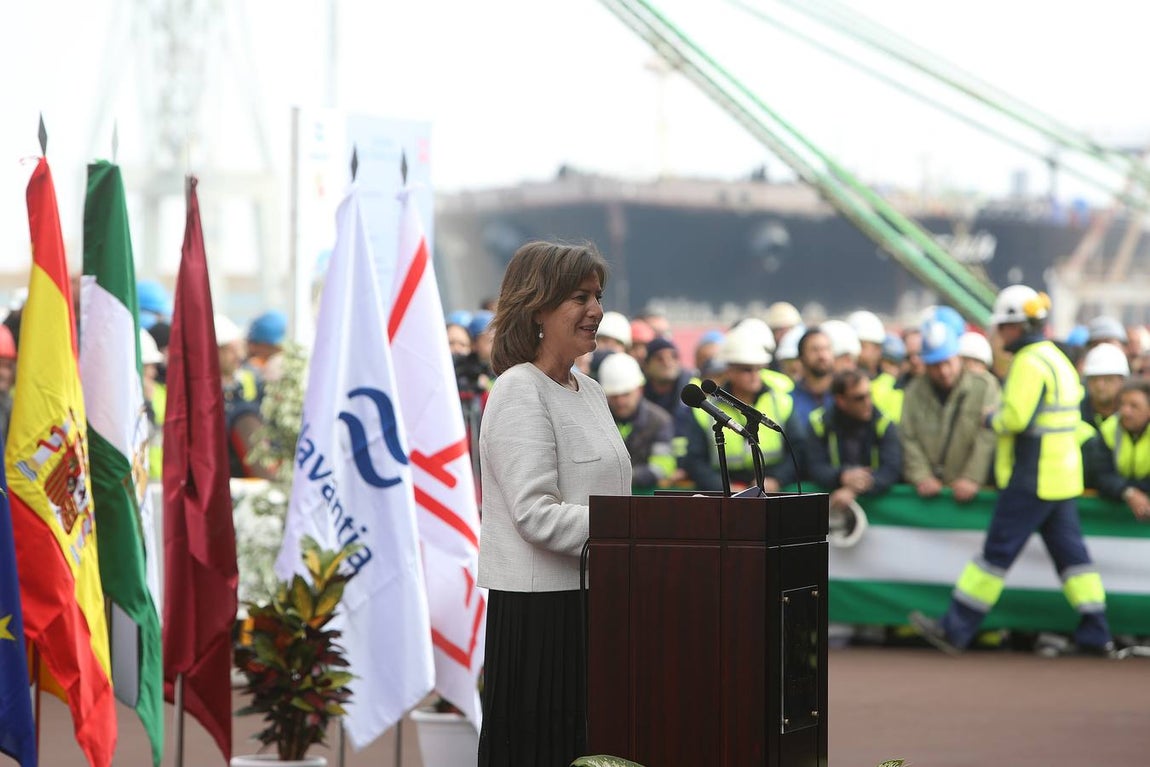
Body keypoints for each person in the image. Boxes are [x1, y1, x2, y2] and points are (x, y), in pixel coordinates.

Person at [477, 241, 631, 766]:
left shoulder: (588, 390)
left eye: (597, 296)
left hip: (594, 601)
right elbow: (534, 514)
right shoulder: (519, 390)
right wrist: (632, 529)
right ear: (537, 307)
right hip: (542, 616)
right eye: (579, 297)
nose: (596, 310)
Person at [911, 285, 1117, 657]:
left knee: (994, 556)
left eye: (1003, 326)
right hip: (1062, 478)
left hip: (1032, 476)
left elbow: (1016, 418)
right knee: (1074, 559)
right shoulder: (1056, 357)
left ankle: (954, 629)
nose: (999, 333)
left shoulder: (1028, 362)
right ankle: (1096, 630)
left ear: (1016, 326)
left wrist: (992, 418)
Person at [679, 326, 801, 492]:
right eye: (746, 369)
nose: (754, 375)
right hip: (727, 491)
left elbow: (798, 450)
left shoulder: (782, 402)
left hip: (773, 488)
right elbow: (695, 461)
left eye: (759, 368)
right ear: (729, 371)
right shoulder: (705, 410)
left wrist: (776, 479)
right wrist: (724, 486)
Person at [900, 320, 1000, 503]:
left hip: (972, 496)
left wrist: (972, 478)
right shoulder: (914, 392)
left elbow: (987, 437)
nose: (943, 372)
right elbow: (908, 437)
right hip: (928, 495)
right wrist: (921, 475)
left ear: (958, 357)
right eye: (935, 365)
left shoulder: (984, 387)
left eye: (948, 362)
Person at [803, 369, 902, 512]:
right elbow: (814, 466)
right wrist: (843, 476)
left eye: (869, 395)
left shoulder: (883, 422)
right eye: (859, 398)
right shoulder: (819, 422)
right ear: (841, 400)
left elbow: (892, 468)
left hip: (875, 508)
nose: (868, 402)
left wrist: (855, 488)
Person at [599, 351, 678, 490]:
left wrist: (624, 477)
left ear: (639, 389)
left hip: (646, 498)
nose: (620, 402)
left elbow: (662, 466)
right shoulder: (597, 420)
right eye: (614, 396)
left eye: (626, 394)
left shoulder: (659, 421)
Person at [1084, 379, 1150, 521]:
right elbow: (1100, 474)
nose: (1125, 411)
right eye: (1122, 404)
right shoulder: (1108, 430)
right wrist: (1129, 492)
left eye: (1134, 406)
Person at [1079, 342, 1129, 432]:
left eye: (1108, 379)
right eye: (1094, 379)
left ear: (1122, 380)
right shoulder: (1076, 413)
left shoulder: (1131, 416)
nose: (1099, 385)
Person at [792, 327, 835, 425]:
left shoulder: (844, 395)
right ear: (801, 356)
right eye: (815, 350)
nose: (822, 356)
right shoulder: (791, 401)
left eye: (826, 349)